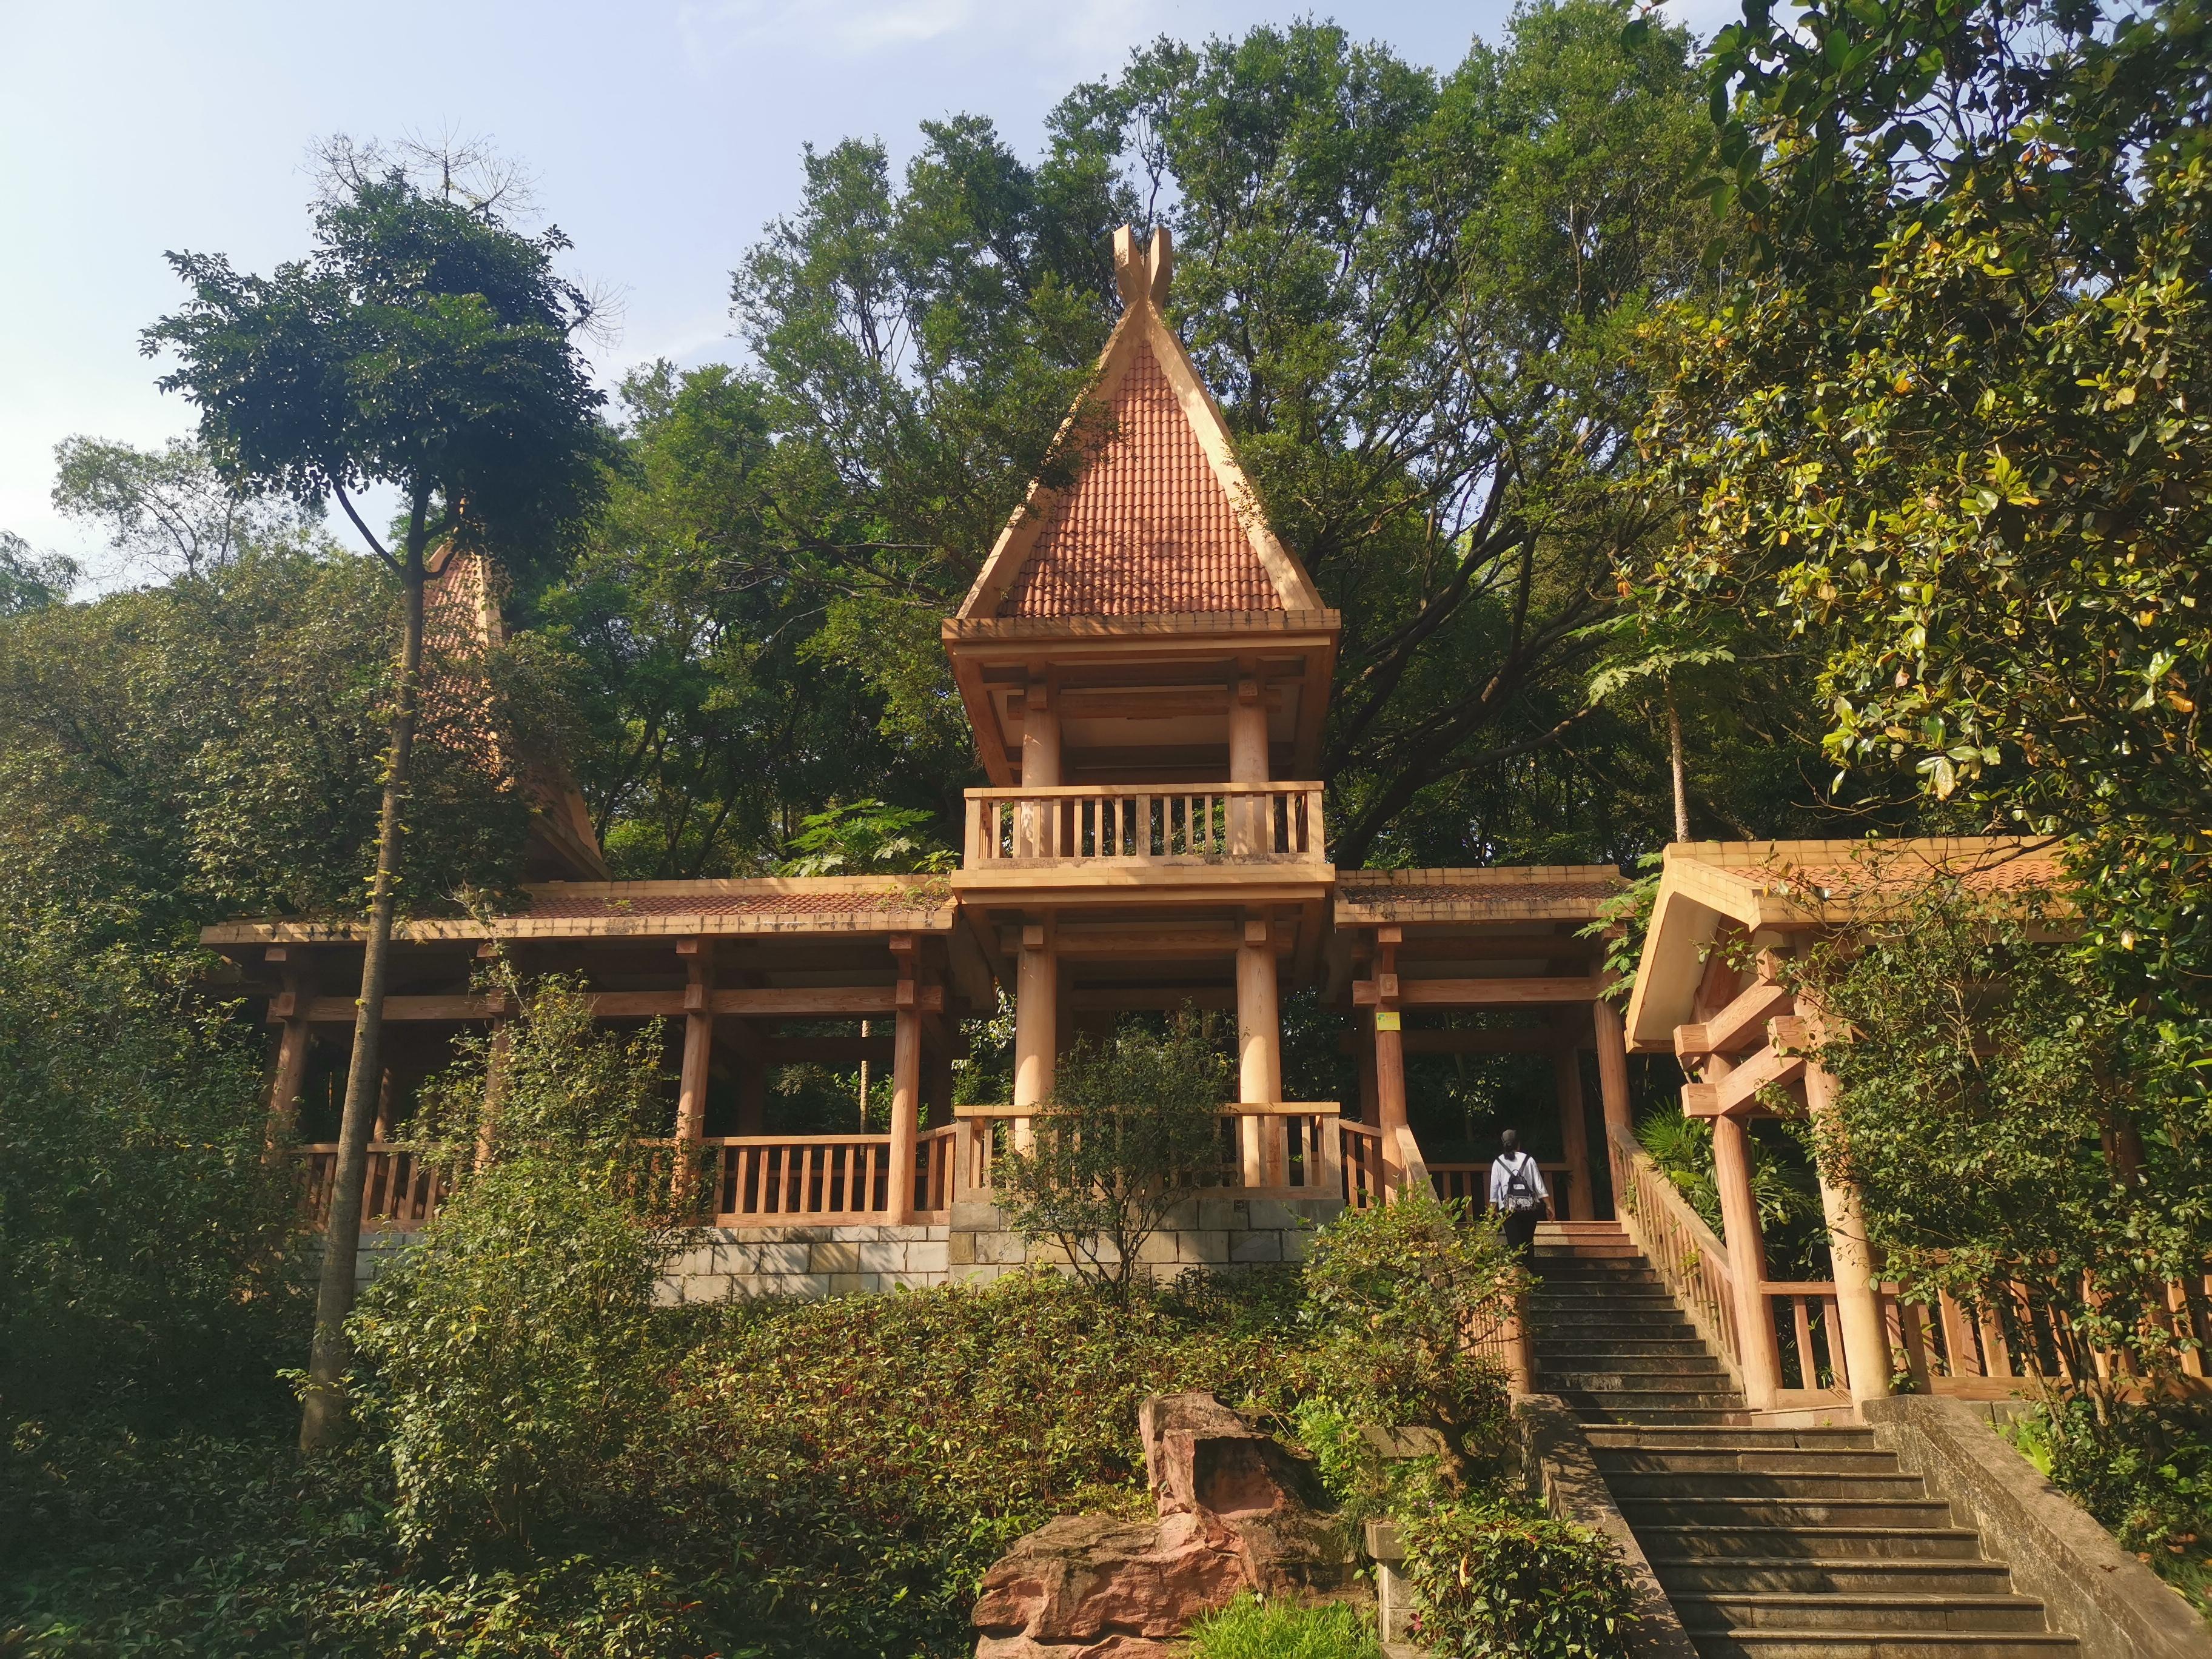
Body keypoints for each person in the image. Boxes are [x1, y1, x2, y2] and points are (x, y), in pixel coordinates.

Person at [1489, 1128, 1549, 1256]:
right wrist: (1549, 1205)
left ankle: (1517, 1274)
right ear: (1519, 1143)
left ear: (1503, 1143)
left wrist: (1492, 1211)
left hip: (1508, 1209)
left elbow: (1494, 1190)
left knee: (1514, 1245)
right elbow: (1539, 1185)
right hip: (1529, 1208)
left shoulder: (1498, 1162)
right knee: (1528, 1243)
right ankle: (1530, 1273)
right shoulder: (1529, 1160)